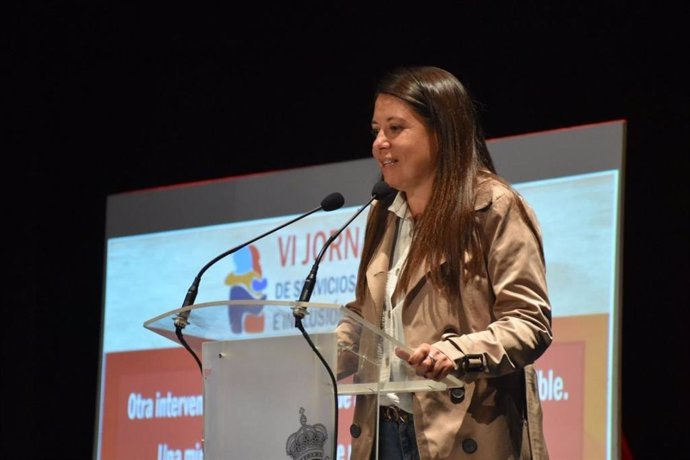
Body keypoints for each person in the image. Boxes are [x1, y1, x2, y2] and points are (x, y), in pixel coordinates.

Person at [336, 66, 552, 459]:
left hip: (463, 433)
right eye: (376, 130)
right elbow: (367, 313)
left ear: (442, 133)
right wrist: (312, 358)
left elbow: (528, 322)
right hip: (381, 433)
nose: (379, 143)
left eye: (396, 128)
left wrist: (456, 353)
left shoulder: (493, 206)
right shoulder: (382, 212)